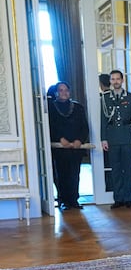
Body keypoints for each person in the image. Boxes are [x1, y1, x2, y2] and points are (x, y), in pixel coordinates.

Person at [100, 69, 131, 209]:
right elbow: (103, 120)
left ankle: (128, 198)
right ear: (110, 81)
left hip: (127, 136)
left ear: (122, 80)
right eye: (113, 79)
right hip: (112, 137)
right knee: (115, 170)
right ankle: (118, 198)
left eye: (118, 79)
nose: (115, 81)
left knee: (127, 169)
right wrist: (103, 139)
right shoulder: (105, 98)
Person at [48, 81, 89, 210]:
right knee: (61, 174)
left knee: (75, 174)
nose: (64, 92)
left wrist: (79, 140)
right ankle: (63, 200)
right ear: (56, 92)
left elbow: (84, 127)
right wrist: (60, 139)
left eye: (66, 90)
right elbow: (50, 127)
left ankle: (74, 200)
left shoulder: (78, 107)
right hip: (60, 148)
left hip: (76, 147)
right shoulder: (51, 108)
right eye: (61, 90)